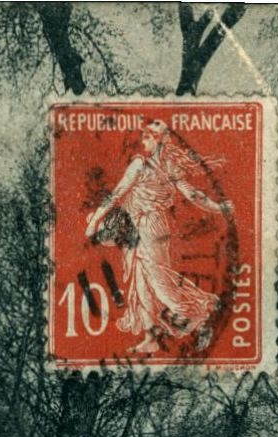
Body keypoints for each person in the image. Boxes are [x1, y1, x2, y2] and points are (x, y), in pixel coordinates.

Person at [84, 119, 232, 357]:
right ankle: (151, 337)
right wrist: (218, 207)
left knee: (158, 283)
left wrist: (94, 222)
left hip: (148, 227)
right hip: (147, 226)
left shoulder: (141, 166)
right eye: (143, 135)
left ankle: (201, 315)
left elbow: (117, 194)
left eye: (149, 135)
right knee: (141, 284)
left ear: (161, 139)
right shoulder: (164, 165)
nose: (143, 139)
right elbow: (193, 194)